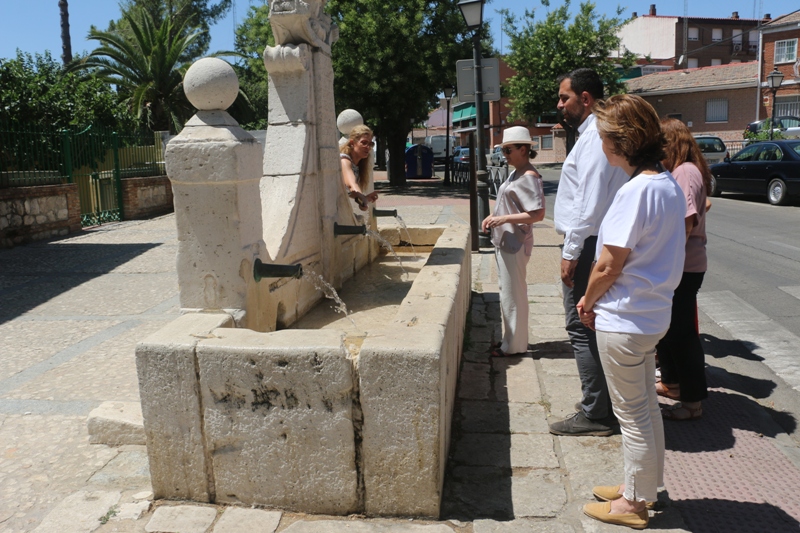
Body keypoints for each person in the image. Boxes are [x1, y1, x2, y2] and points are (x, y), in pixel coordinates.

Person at [577, 94, 686, 529]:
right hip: (651, 315)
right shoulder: (667, 184)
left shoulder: (635, 191)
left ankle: (634, 503)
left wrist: (587, 300)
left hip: (625, 317)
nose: (601, 143)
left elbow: (608, 264)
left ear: (621, 141)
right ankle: (643, 486)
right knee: (645, 408)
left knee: (633, 413)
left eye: (604, 135)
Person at [549, 68, 629, 437]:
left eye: (564, 97)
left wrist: (571, 252)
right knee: (590, 324)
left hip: (588, 244)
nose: (559, 105)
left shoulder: (596, 136)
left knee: (582, 326)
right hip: (591, 242)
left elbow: (589, 204)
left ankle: (597, 413)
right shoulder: (591, 134)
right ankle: (600, 404)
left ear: (585, 98)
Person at [655, 118, 710, 421]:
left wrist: (668, 263)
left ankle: (692, 402)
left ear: (672, 142)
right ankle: (673, 385)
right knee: (670, 331)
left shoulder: (685, 172)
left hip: (684, 266)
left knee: (681, 334)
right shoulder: (682, 170)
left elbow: (686, 223)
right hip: (682, 264)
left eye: (660, 142)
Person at [481, 127, 546, 357]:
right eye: (503, 150)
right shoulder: (517, 172)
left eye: (508, 150)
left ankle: (514, 347)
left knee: (513, 294)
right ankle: (510, 341)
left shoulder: (528, 176)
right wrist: (493, 216)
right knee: (508, 292)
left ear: (523, 149)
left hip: (515, 242)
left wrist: (503, 219)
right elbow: (511, 204)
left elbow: (538, 214)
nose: (505, 154)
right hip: (508, 240)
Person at [340, 125, 378, 211]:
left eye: (371, 144)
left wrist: (364, 199)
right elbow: (351, 185)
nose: (368, 147)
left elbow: (349, 192)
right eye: (364, 143)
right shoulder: (344, 160)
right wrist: (362, 198)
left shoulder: (358, 164)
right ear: (352, 143)